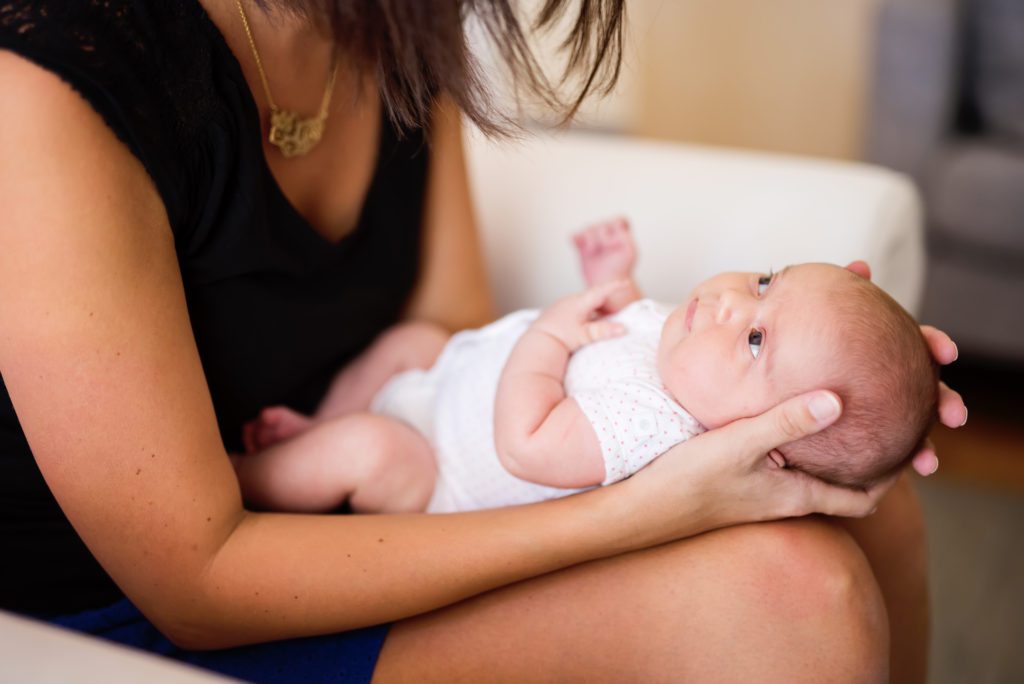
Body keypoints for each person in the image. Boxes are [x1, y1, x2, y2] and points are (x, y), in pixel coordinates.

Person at [0, 0, 966, 681]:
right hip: (159, 603)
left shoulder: (393, 20)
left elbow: (449, 322)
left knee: (863, 502)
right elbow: (195, 582)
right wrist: (647, 511)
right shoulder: (47, 83)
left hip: (384, 491)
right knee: (798, 603)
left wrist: (826, 354)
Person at [234, 218, 937, 514]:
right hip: (443, 386)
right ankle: (313, 428)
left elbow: (527, 442)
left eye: (756, 342)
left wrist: (546, 337)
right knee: (412, 343)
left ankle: (246, 481)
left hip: (435, 472)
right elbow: (627, 328)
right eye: (763, 282)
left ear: (765, 444)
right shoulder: (686, 350)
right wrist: (614, 278)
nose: (727, 305)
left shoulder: (656, 429)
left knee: (371, 448)